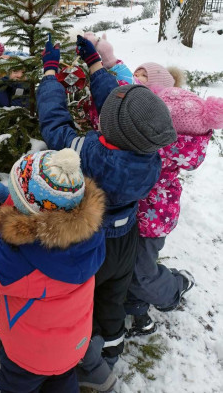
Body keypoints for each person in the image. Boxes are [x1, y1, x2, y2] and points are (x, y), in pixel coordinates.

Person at [36, 34, 177, 391]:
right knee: (113, 297)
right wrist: (96, 65)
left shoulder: (94, 156)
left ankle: (91, 357)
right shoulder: (149, 156)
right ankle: (115, 344)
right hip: (127, 238)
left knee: (86, 300)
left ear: (112, 129)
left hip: (94, 241)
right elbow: (120, 109)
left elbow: (55, 127)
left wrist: (51, 74)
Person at [0, 148, 106, 393]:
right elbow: (45, 217)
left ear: (28, 209)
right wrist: (7, 197)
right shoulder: (93, 235)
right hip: (71, 347)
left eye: (16, 198)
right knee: (62, 381)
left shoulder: (20, 258)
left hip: (29, 356)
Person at [125, 87, 223, 335]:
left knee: (142, 274)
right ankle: (137, 308)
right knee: (130, 267)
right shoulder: (153, 144)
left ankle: (175, 289)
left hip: (152, 223)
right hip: (134, 216)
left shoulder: (165, 150)